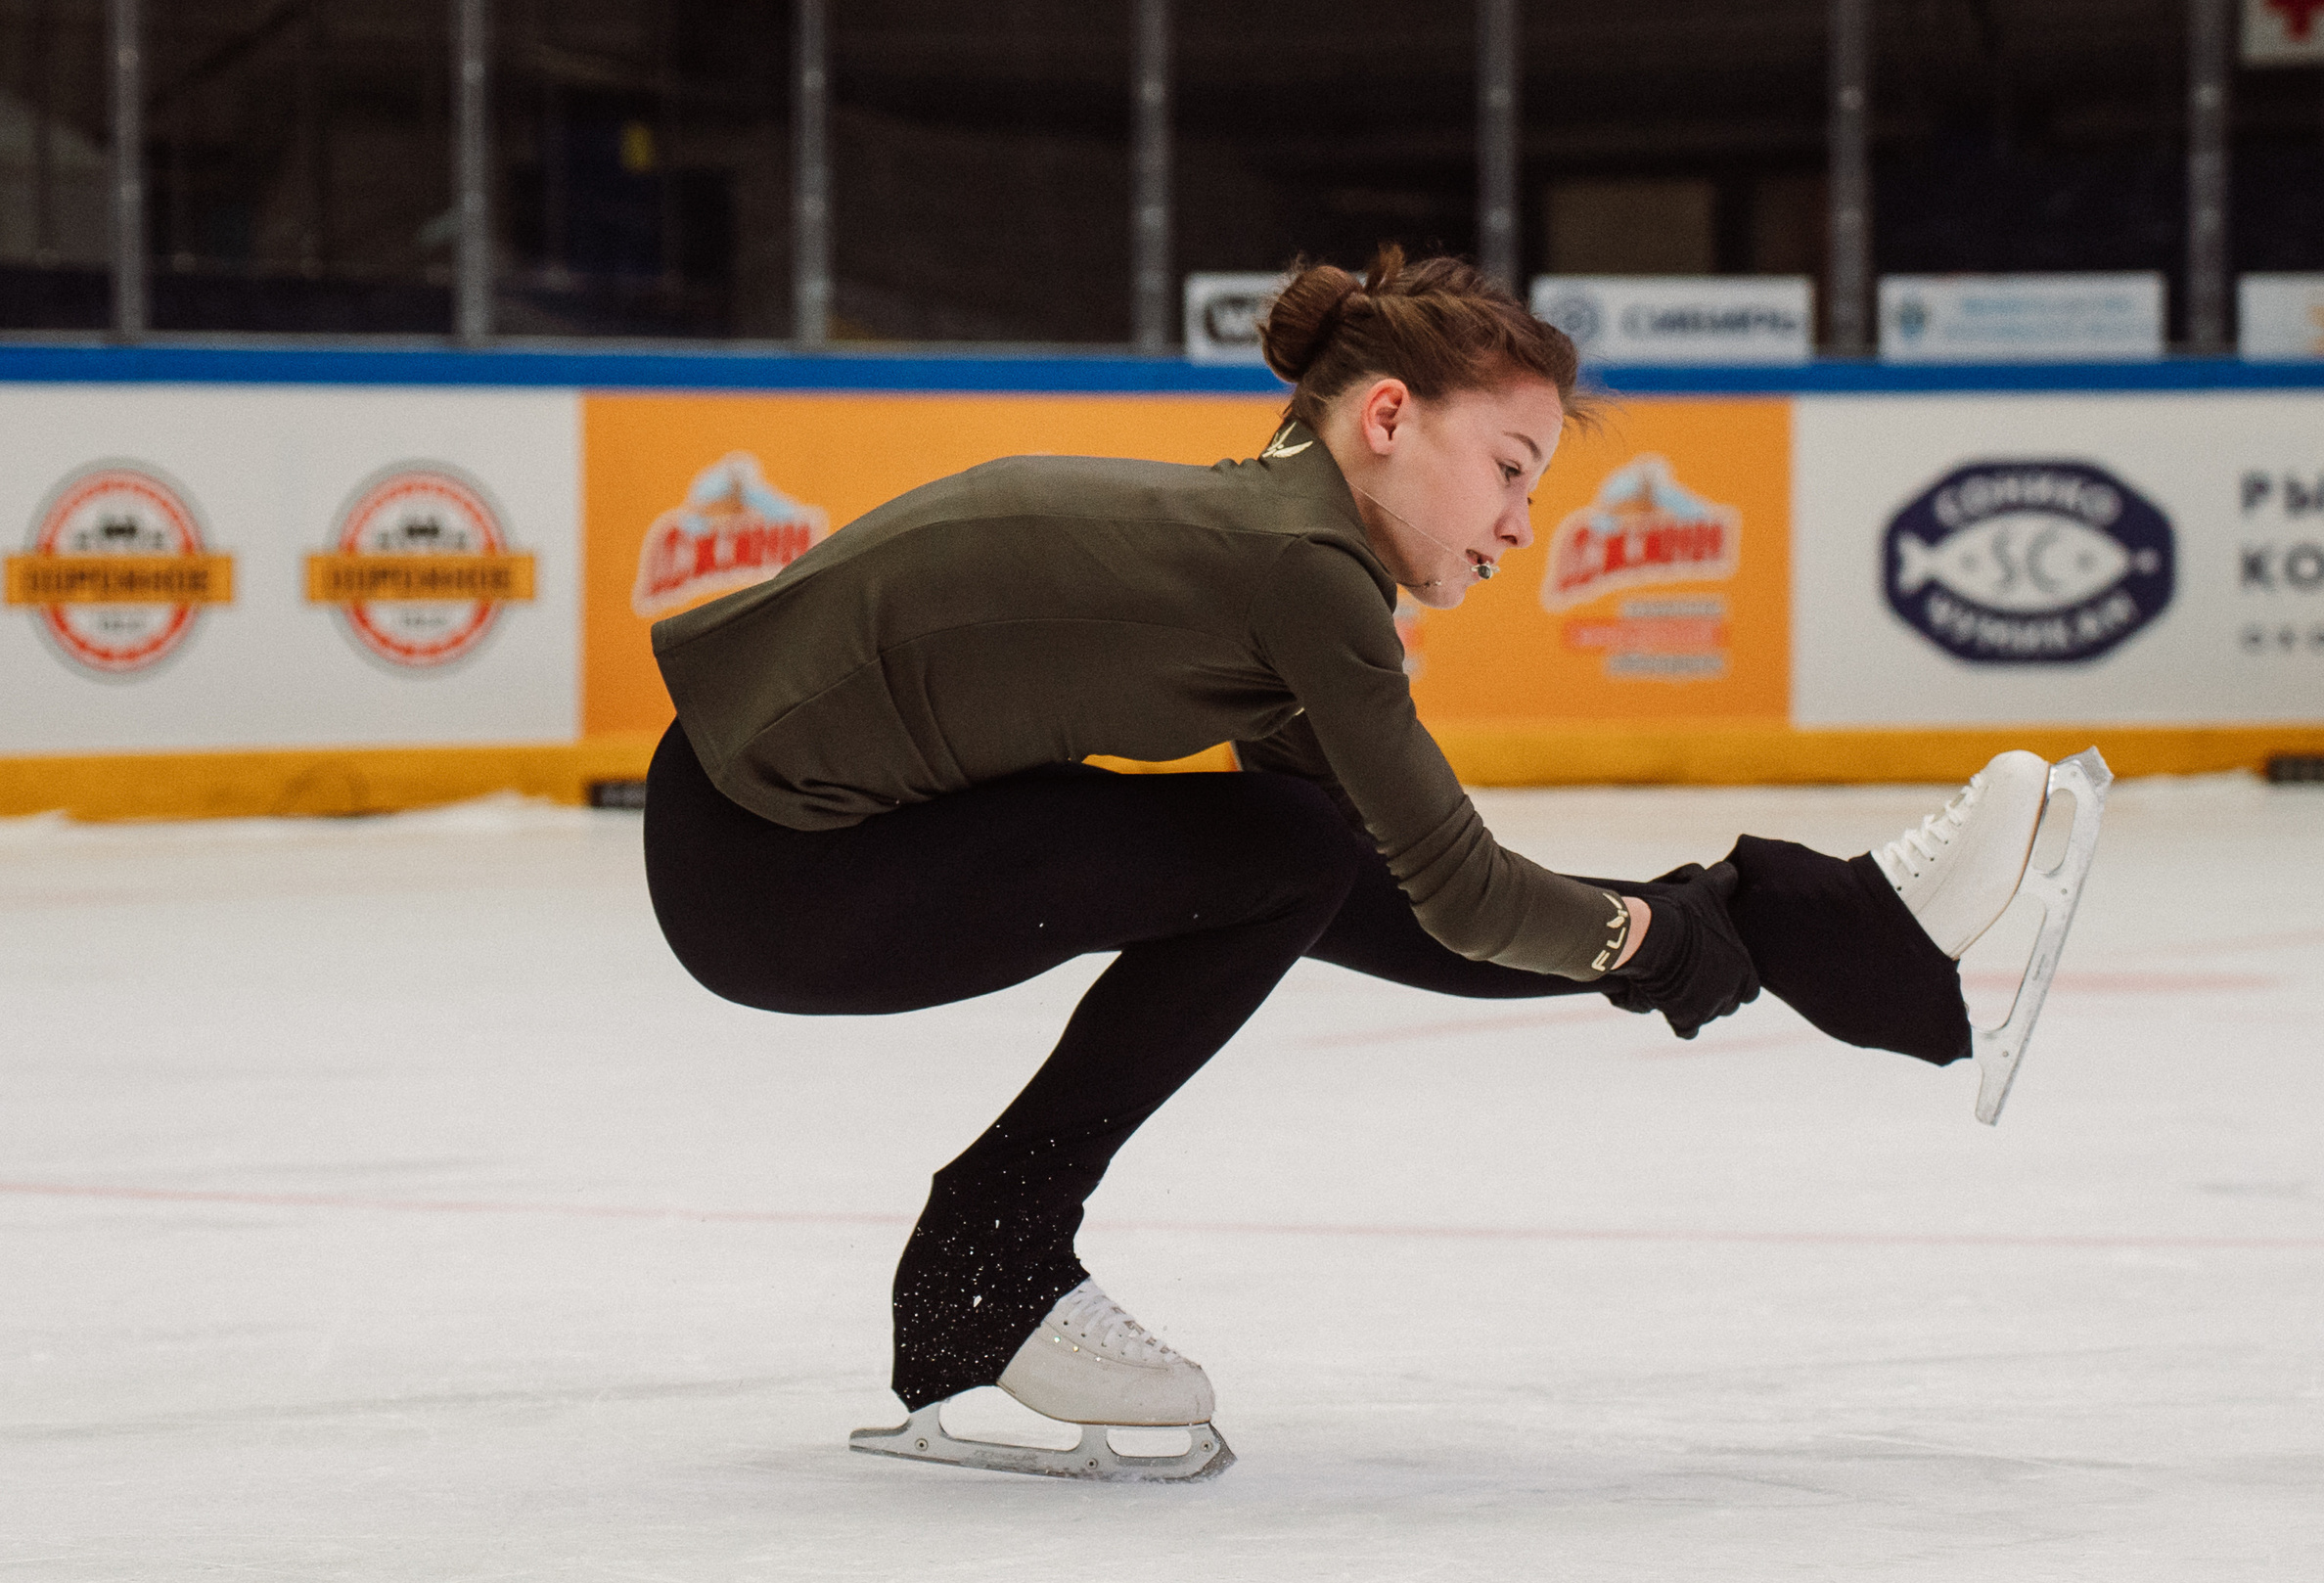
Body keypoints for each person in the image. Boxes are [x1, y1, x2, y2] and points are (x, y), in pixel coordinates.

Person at [640, 247, 2090, 1481]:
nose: (1523, 525)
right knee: (1287, 849)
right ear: (1389, 415)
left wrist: (1730, 926)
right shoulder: (1300, 572)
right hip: (777, 868)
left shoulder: (1275, 527)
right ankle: (990, 1265)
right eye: (1511, 469)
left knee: (1295, 856)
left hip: (760, 833)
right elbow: (1452, 892)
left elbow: (1382, 895)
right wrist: (1675, 937)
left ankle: (1840, 919)